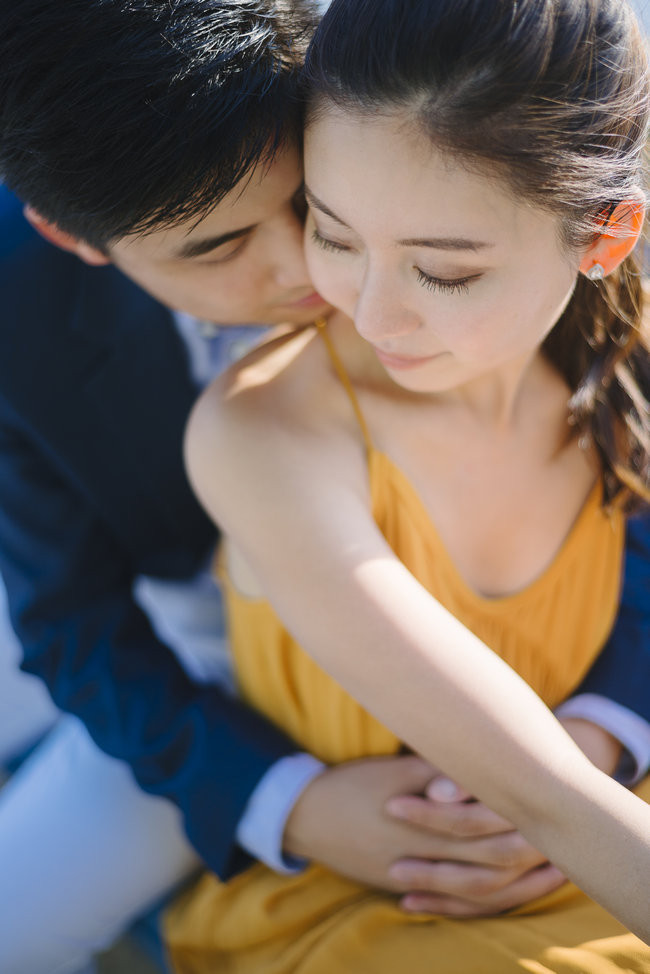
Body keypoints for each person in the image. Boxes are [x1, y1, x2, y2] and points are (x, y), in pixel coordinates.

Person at [6, 2, 647, 971]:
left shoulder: (438, 157)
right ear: (74, 238)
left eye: (309, 203)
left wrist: (609, 719)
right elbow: (69, 620)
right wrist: (285, 797)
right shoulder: (27, 321)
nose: (311, 272)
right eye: (217, 247)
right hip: (190, 639)